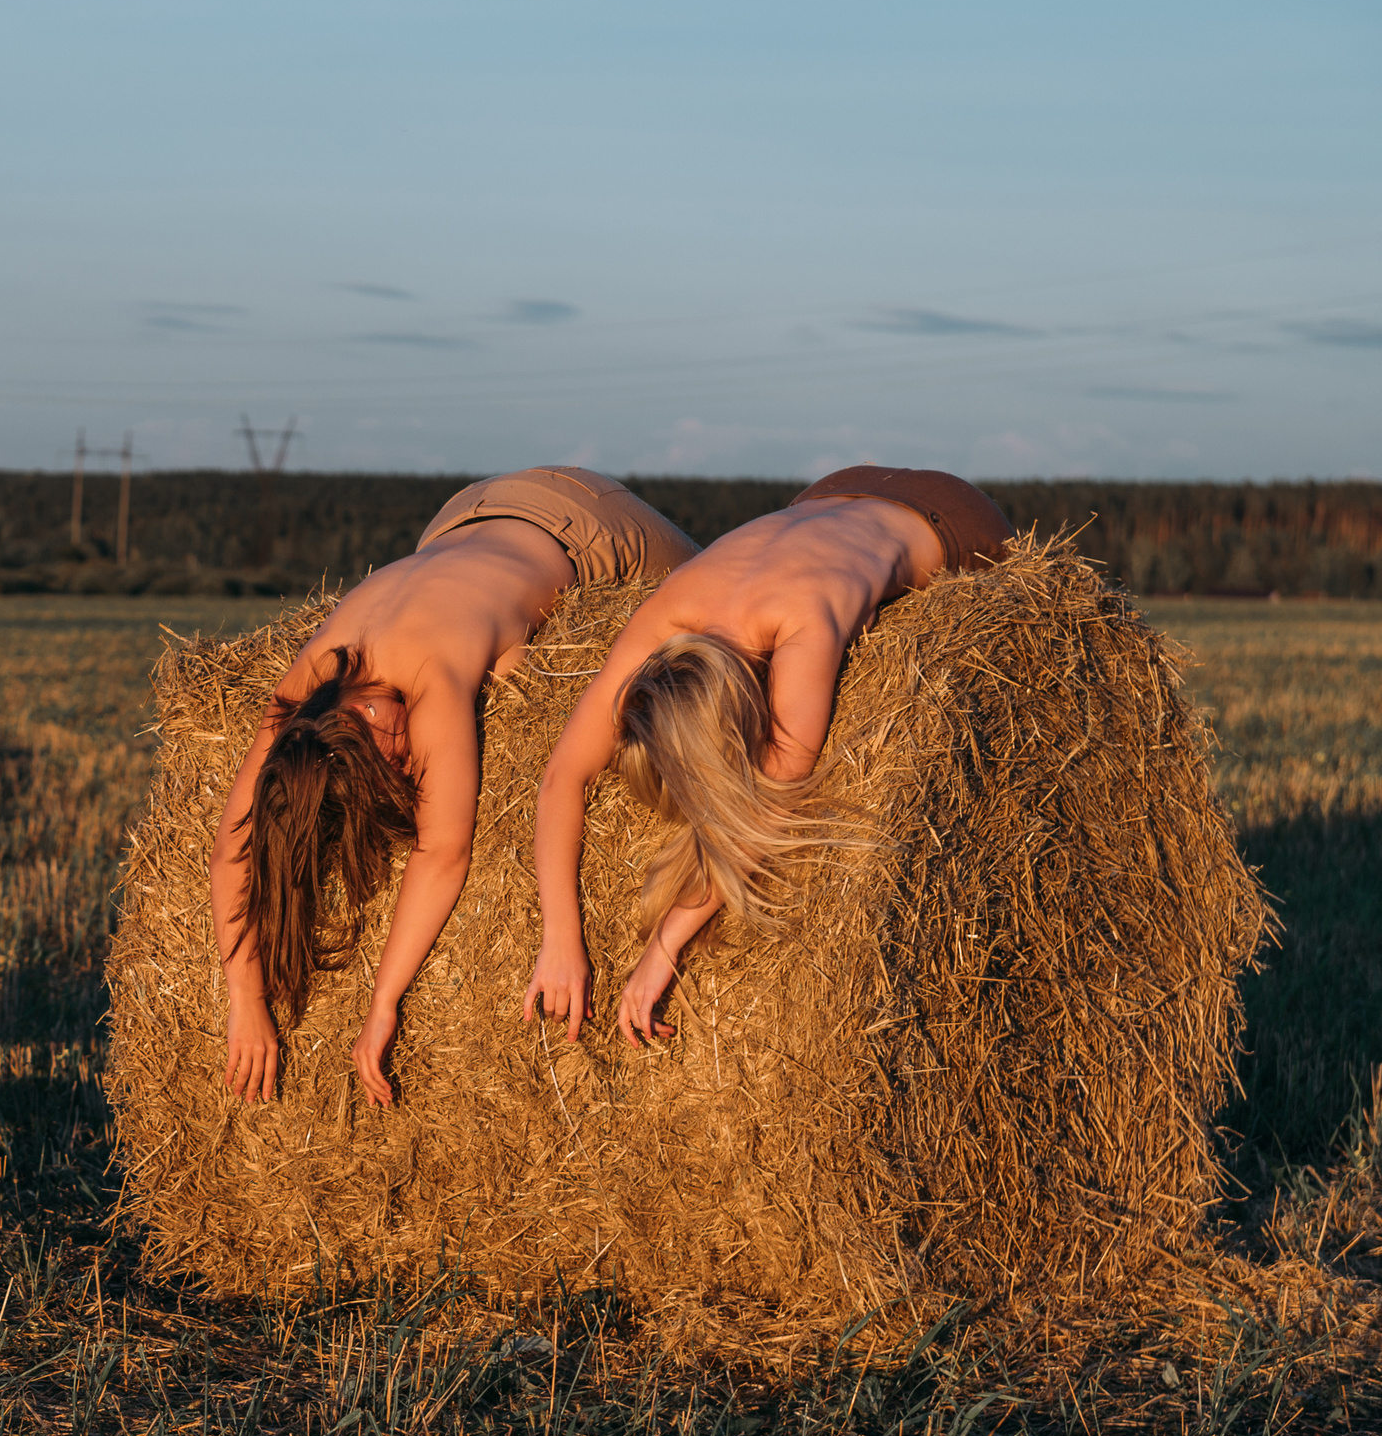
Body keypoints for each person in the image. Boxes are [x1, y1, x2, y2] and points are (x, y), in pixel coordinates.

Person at [214, 467, 699, 1105]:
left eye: (389, 758)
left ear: (362, 716)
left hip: (579, 521)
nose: (406, 763)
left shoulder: (432, 675)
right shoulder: (312, 685)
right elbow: (235, 845)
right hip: (462, 515)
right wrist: (244, 1001)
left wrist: (384, 1002)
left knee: (722, 589)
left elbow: (443, 852)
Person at [522, 465, 1014, 1049]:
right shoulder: (667, 618)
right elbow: (562, 775)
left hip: (947, 516)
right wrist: (559, 937)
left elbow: (770, 812)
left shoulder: (804, 620)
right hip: (830, 490)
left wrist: (664, 948)